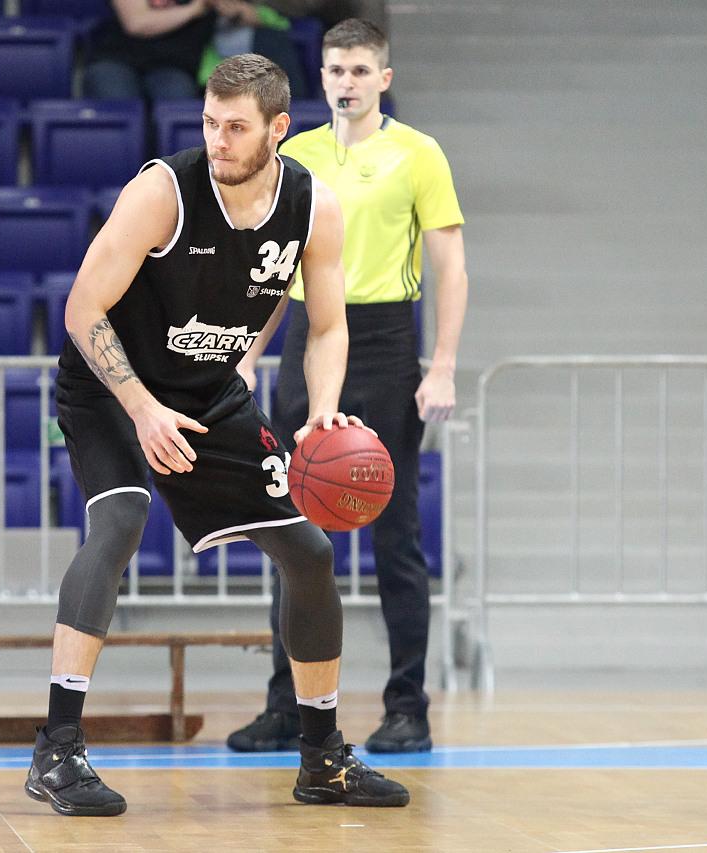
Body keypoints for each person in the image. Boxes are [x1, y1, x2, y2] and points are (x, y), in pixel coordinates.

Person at [26, 53, 409, 817]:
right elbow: (81, 309)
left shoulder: (313, 207)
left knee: (310, 551)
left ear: (278, 128)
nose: (218, 139)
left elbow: (327, 325)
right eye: (209, 122)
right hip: (111, 387)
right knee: (121, 519)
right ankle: (57, 749)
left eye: (236, 127)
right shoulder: (161, 192)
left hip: (207, 393)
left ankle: (322, 758)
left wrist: (323, 410)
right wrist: (140, 406)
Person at [227, 17, 468, 754]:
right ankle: (287, 706)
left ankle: (408, 707)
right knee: (293, 533)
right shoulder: (296, 155)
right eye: (336, 69)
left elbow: (451, 266)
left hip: (387, 341)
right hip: (308, 335)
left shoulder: (418, 153)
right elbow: (276, 270)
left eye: (361, 70)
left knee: (397, 537)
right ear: (322, 76)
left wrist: (442, 364)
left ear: (383, 79)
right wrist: (248, 352)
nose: (347, 82)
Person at [84, 0, 216, 101]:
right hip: (117, 58)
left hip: (175, 65)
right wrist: (195, 8)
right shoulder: (199, 6)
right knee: (118, 101)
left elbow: (227, 11)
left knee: (177, 101)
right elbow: (136, 23)